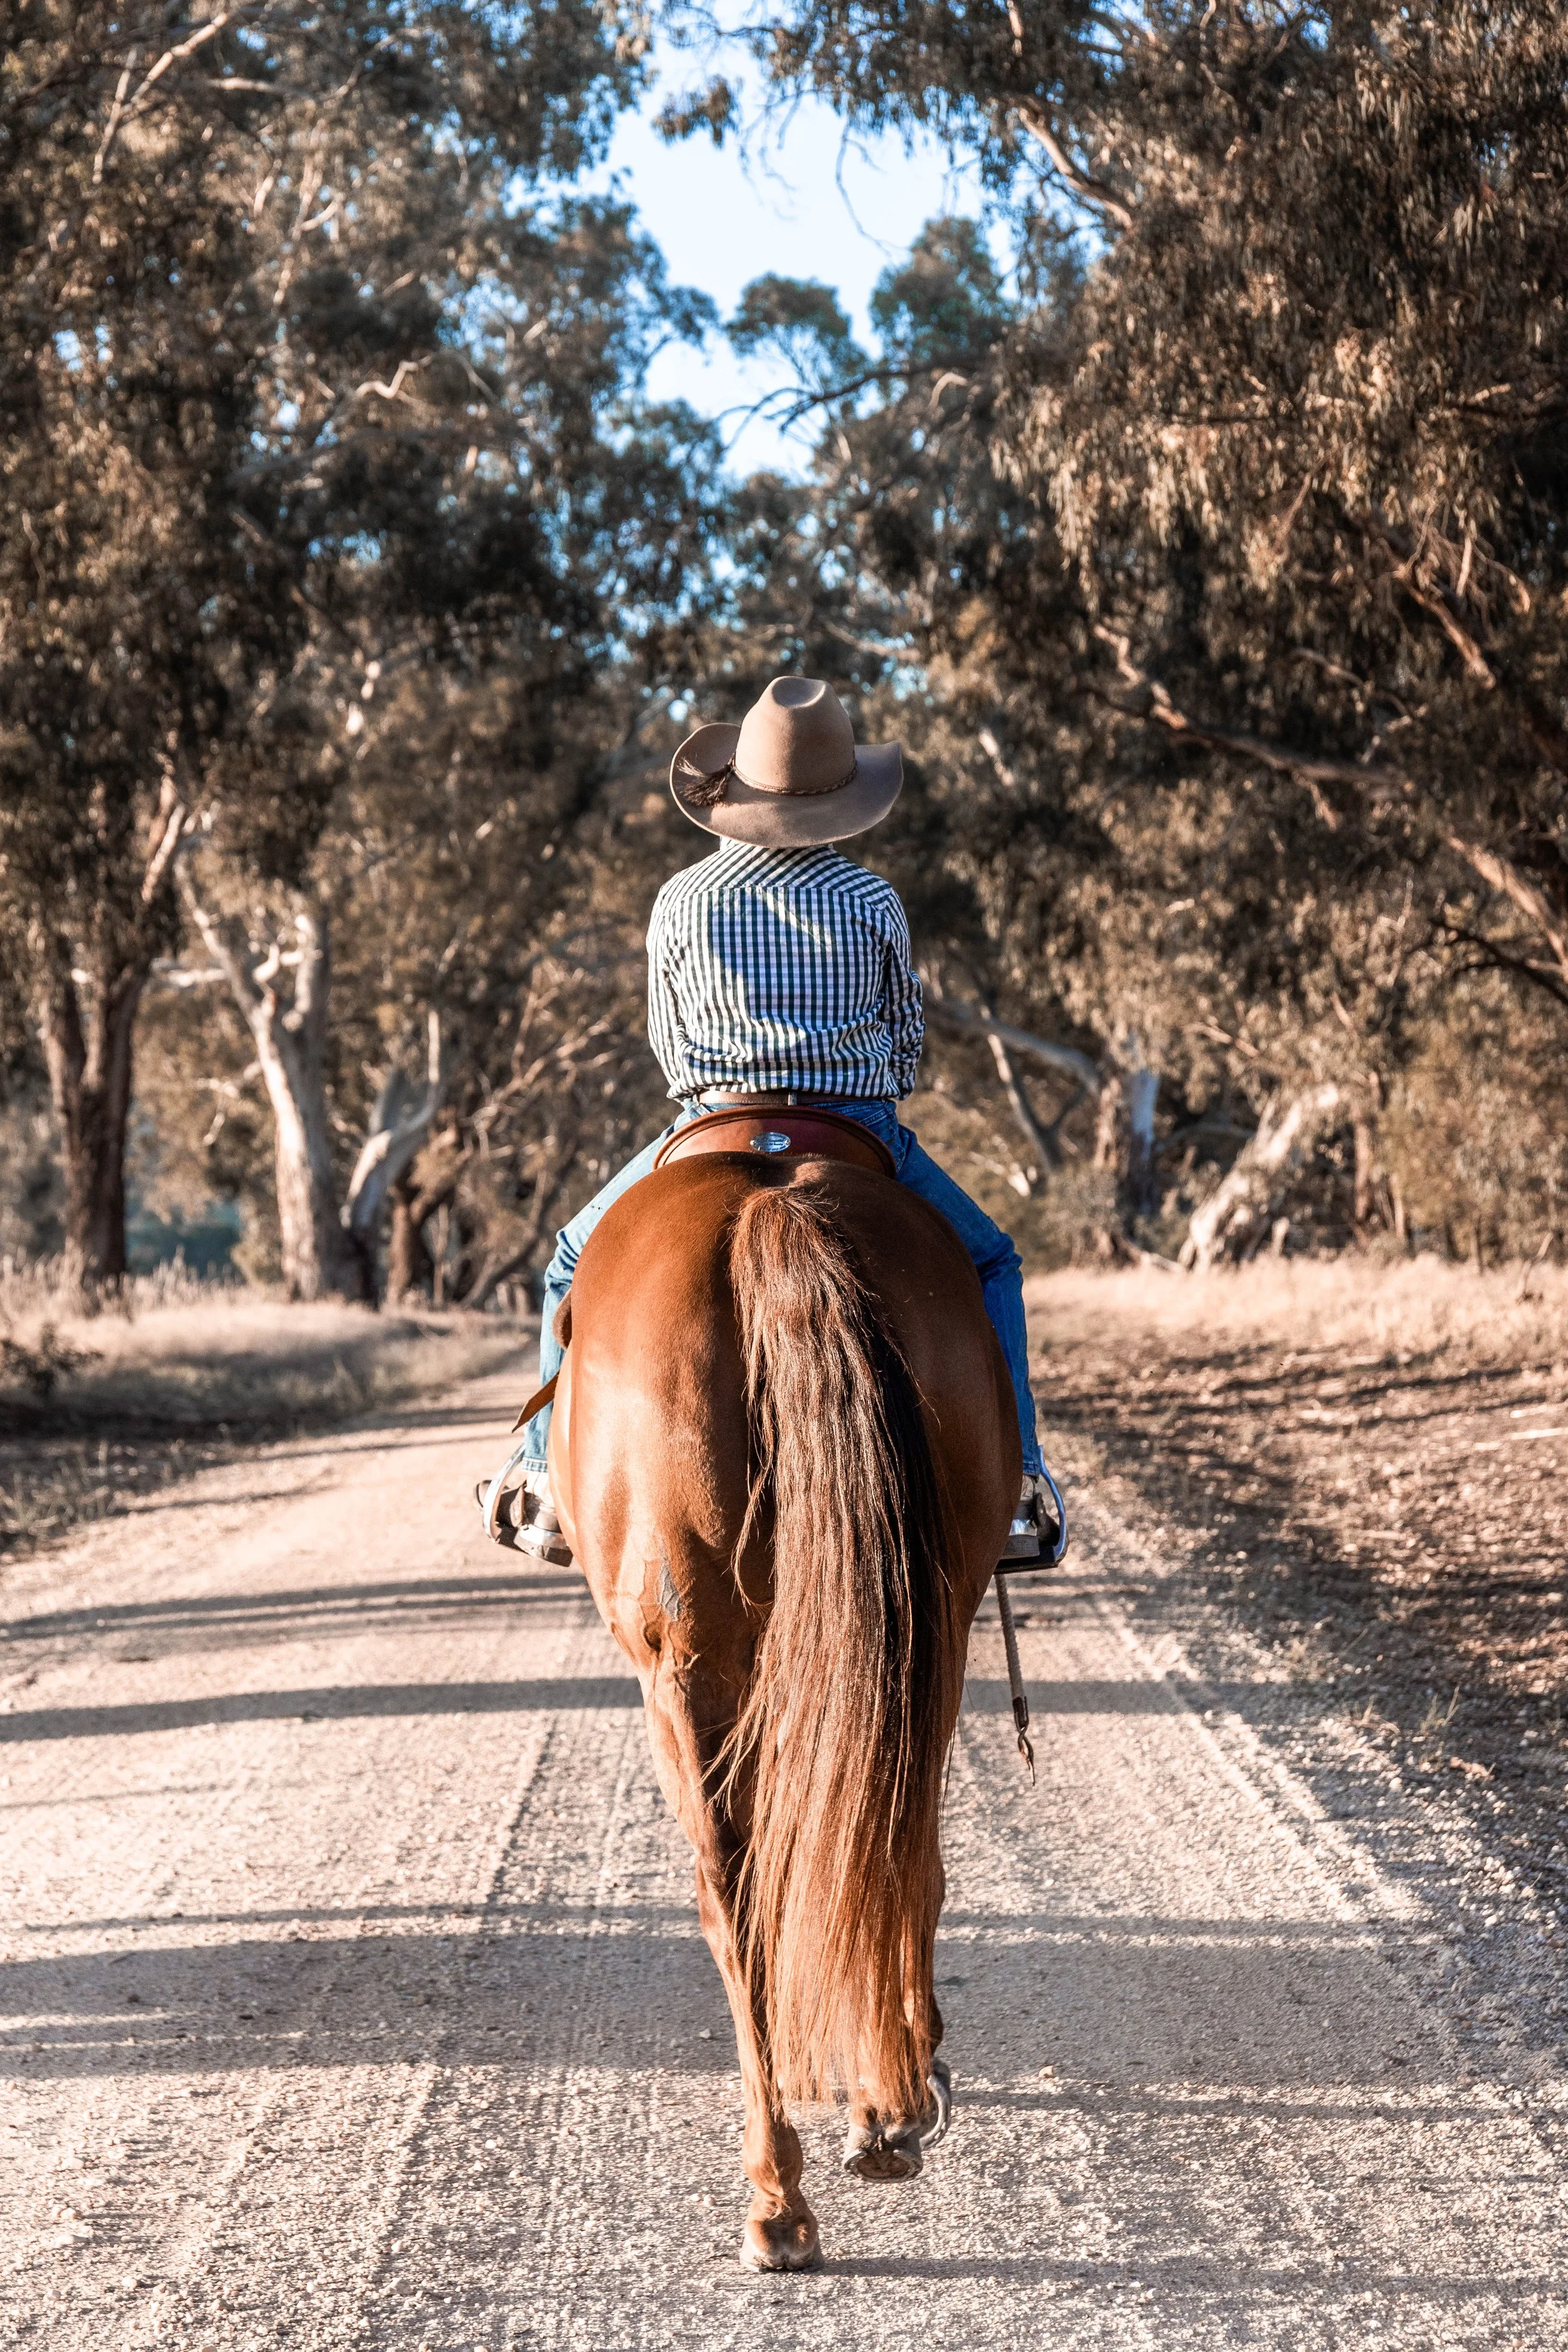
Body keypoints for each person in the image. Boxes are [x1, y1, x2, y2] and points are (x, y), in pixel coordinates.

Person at [483, 675, 1061, 1567]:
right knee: (991, 1261)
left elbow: (670, 1048)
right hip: (854, 1124)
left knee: (568, 1259)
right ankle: (1021, 1484)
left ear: (738, 788)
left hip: (712, 1120)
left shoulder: (681, 900)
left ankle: (539, 1481)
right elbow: (904, 1043)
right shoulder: (873, 903)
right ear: (841, 798)